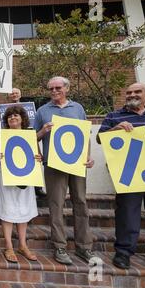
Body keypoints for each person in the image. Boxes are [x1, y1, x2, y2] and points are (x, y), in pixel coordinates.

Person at [97, 83, 145, 272]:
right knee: (127, 211)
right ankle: (123, 251)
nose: (131, 95)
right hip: (128, 173)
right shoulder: (114, 116)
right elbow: (100, 138)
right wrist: (115, 130)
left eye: (137, 92)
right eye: (128, 92)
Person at [34, 76, 95, 265]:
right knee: (56, 205)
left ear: (66, 88)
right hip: (53, 165)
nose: (54, 91)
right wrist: (43, 134)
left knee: (81, 203)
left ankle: (84, 247)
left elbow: (85, 136)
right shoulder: (42, 111)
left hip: (77, 164)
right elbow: (32, 137)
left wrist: (88, 157)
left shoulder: (78, 108)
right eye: (50, 88)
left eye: (57, 88)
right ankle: (60, 246)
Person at [0, 105, 40, 263]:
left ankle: (23, 245)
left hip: (25, 177)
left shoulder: (29, 135)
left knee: (23, 209)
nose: (13, 118)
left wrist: (39, 158)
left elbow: (37, 155)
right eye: (10, 116)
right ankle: (9, 246)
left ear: (22, 118)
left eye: (16, 115)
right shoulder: (1, 133)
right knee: (8, 209)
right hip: (6, 177)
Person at [9, 87, 47, 197]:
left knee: (35, 158)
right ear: (9, 96)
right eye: (12, 94)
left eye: (16, 93)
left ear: (20, 95)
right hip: (12, 136)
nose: (14, 95)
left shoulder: (28, 107)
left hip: (28, 134)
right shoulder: (4, 108)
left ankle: (37, 187)